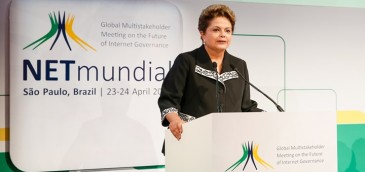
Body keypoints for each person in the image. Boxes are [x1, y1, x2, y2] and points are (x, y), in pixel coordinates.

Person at [157, 4, 263, 154]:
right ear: (202, 33)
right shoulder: (187, 61)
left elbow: (245, 106)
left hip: (228, 145)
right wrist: (174, 120)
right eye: (216, 30)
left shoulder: (239, 65)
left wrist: (269, 119)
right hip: (189, 140)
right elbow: (168, 99)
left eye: (228, 30)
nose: (223, 35)